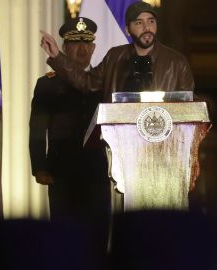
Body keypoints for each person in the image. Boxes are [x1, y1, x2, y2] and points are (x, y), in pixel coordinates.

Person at [29, 17, 111, 256]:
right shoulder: (47, 84)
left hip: (96, 170)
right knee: (64, 239)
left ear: (94, 48)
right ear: (64, 48)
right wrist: (39, 167)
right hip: (61, 172)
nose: (82, 49)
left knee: (98, 237)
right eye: (75, 44)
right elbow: (36, 128)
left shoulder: (102, 82)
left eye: (87, 43)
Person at [40, 1, 194, 102]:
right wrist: (57, 56)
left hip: (162, 143)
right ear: (127, 30)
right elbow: (87, 83)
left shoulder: (177, 62)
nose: (147, 28)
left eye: (151, 22)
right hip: (121, 143)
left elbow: (189, 104)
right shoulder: (114, 57)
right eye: (139, 23)